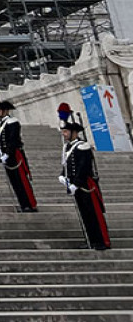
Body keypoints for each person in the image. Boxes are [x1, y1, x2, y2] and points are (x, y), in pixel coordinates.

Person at [58, 104, 109, 250]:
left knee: (93, 214)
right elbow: (67, 165)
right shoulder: (67, 148)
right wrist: (63, 176)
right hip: (76, 186)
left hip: (86, 186)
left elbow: (83, 167)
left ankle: (100, 241)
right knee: (84, 214)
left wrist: (76, 183)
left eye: (66, 131)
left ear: (74, 132)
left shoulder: (83, 146)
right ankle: (91, 240)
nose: (64, 134)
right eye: (63, 131)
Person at [0, 93, 37, 213]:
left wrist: (7, 153)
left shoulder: (12, 122)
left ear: (5, 111)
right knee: (14, 182)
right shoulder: (1, 124)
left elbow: (13, 140)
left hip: (15, 155)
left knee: (22, 180)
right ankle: (23, 204)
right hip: (7, 156)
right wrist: (1, 152)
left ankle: (29, 204)